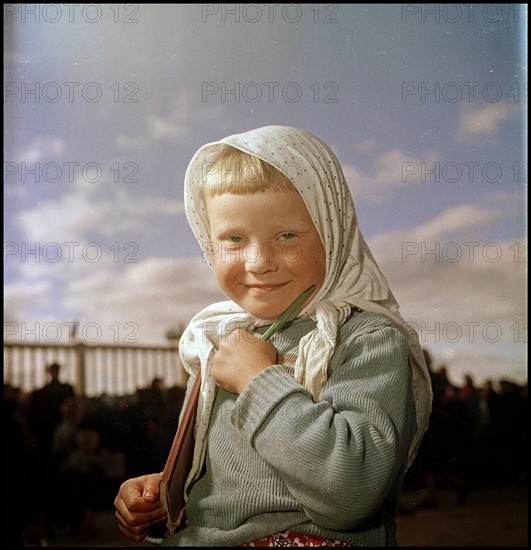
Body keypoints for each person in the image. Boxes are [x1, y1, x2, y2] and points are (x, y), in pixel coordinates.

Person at [114, 125, 432, 546]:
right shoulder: (218, 341)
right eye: (234, 238)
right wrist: (167, 492)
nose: (259, 261)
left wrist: (258, 382)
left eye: (286, 236)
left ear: (332, 235)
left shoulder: (364, 337)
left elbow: (351, 493)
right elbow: (241, 487)